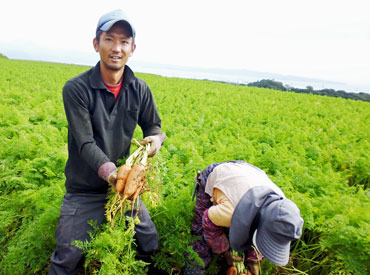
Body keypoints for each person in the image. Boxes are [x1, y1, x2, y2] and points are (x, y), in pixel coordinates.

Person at [49, 9, 166, 274]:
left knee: (148, 241)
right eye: (109, 39)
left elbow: (153, 125)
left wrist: (155, 141)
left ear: (132, 48)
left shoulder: (139, 89)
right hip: (84, 190)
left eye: (124, 41)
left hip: (124, 188)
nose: (117, 48)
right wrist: (113, 175)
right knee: (67, 257)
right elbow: (85, 143)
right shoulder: (76, 89)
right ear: (96, 44)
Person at [184, 160, 303, 275]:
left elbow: (265, 233)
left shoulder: (282, 207)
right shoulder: (230, 211)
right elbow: (208, 220)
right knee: (200, 232)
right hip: (223, 174)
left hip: (251, 176)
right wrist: (224, 251)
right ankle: (194, 267)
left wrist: (253, 259)